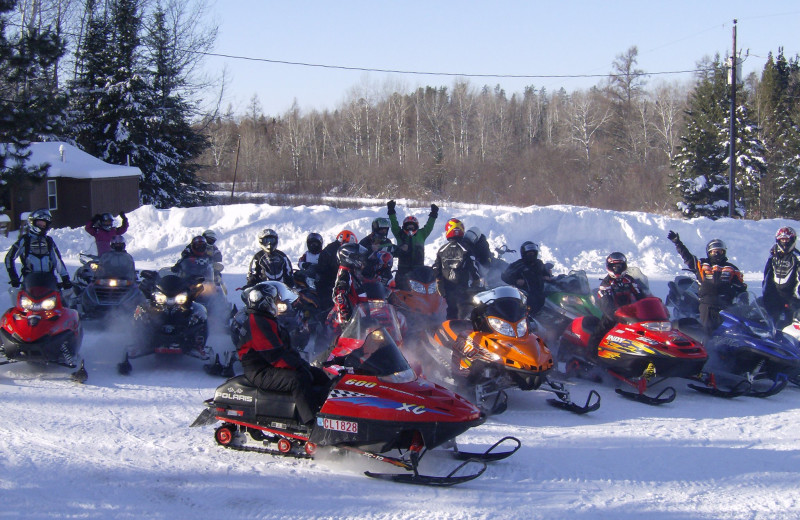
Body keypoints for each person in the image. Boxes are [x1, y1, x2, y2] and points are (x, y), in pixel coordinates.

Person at [235, 282, 329, 427]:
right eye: (275, 300)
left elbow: (285, 349)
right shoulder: (257, 322)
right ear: (266, 302)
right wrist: (298, 367)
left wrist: (302, 364)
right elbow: (273, 355)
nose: (278, 303)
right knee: (298, 379)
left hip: (270, 365)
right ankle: (310, 423)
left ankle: (328, 412)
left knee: (319, 375)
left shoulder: (267, 319)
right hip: (260, 370)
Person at [667, 230, 747, 333]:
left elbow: (741, 287)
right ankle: (707, 346)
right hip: (707, 302)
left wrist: (743, 299)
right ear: (709, 252)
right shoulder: (702, 264)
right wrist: (678, 243)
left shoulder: (732, 268)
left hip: (726, 303)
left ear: (724, 252)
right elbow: (688, 257)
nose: (717, 253)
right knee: (708, 330)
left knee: (731, 330)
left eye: (720, 251)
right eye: (714, 251)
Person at [586, 252, 649, 355]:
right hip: (613, 314)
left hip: (631, 313)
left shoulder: (629, 279)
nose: (617, 269)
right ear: (609, 267)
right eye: (614, 267)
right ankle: (591, 355)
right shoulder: (606, 283)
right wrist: (614, 313)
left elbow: (640, 294)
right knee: (601, 330)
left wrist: (648, 305)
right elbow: (606, 302)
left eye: (619, 266)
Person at [5, 209, 71, 290]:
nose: (42, 226)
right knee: (20, 301)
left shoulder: (48, 241)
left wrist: (65, 278)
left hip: (49, 282)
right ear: (32, 222)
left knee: (61, 301)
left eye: (44, 224)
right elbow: (9, 257)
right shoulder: (25, 240)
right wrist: (13, 277)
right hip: (30, 283)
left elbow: (57, 261)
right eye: (40, 223)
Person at [432, 218, 484, 319]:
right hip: (462, 286)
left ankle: (450, 331)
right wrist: (477, 280)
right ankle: (461, 330)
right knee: (464, 310)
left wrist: (438, 281)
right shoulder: (466, 248)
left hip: (447, 286)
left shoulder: (442, 249)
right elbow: (473, 265)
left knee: (451, 310)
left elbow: (435, 267)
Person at [387, 200, 438, 288]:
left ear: (416, 226)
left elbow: (429, 226)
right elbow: (394, 224)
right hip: (403, 270)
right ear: (404, 227)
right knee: (402, 289)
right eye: (408, 226)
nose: (410, 228)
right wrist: (391, 211)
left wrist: (433, 214)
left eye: (412, 226)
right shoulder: (400, 234)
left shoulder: (422, 234)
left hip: (418, 269)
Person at [762, 227, 800, 326]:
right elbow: (767, 277)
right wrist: (766, 295)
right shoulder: (773, 257)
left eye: (787, 240)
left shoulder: (797, 258)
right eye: (782, 239)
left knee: (789, 327)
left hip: (791, 299)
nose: (784, 242)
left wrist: (796, 300)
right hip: (774, 297)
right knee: (764, 322)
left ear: (792, 240)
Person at [501, 241, 549, 317]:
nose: (532, 255)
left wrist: (547, 276)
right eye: (529, 254)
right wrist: (516, 281)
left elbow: (545, 272)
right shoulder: (518, 265)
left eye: (533, 253)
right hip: (526, 296)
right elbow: (504, 276)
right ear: (524, 253)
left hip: (541, 294)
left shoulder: (539, 263)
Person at [328, 242, 368, 332]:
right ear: (349, 258)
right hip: (350, 322)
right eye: (359, 257)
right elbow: (339, 294)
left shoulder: (351, 272)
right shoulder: (344, 274)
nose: (362, 260)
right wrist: (346, 316)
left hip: (358, 316)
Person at [316, 229, 358, 311]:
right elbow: (328, 268)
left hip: (344, 281)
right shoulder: (331, 250)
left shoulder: (350, 252)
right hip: (328, 284)